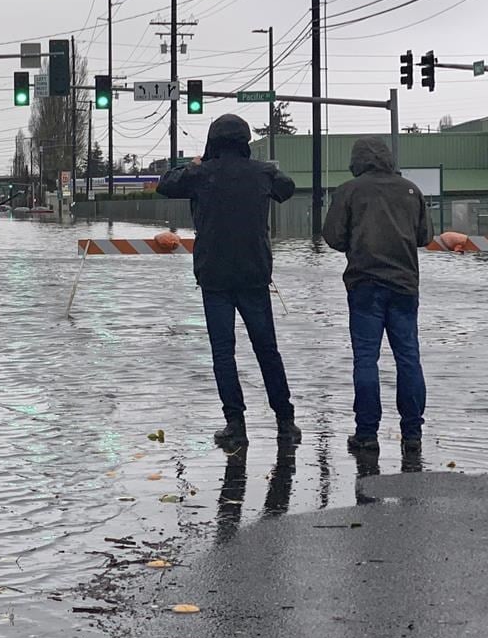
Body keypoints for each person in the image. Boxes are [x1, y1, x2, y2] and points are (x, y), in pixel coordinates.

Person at [157, 114, 301, 446]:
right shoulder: (263, 173)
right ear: (244, 140)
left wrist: (194, 164)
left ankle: (235, 425)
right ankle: (286, 422)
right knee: (267, 350)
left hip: (215, 277)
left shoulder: (200, 174)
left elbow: (165, 183)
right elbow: (287, 188)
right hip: (254, 275)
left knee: (224, 352)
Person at [323, 136, 431, 453]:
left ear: (358, 160)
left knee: (366, 359)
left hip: (365, 286)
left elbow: (332, 236)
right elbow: (425, 236)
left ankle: (366, 434)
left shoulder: (349, 191)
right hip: (405, 287)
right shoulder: (411, 190)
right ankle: (412, 434)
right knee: (408, 358)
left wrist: (357, 242)